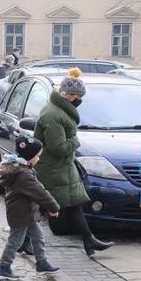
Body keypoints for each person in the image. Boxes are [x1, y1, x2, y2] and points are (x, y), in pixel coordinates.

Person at [35, 68, 113, 258]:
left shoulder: (60, 110)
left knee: (73, 204)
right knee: (40, 205)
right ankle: (23, 242)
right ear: (68, 95)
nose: (79, 100)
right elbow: (59, 148)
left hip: (61, 167)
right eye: (77, 96)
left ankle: (89, 241)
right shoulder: (53, 115)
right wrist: (76, 141)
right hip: (53, 168)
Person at [0, 135, 60, 280]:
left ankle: (41, 262)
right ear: (29, 156)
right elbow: (40, 193)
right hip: (20, 214)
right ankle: (4, 267)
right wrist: (53, 207)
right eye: (37, 156)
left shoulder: (21, 169)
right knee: (15, 241)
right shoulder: (24, 174)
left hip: (27, 213)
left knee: (38, 237)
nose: (39, 159)